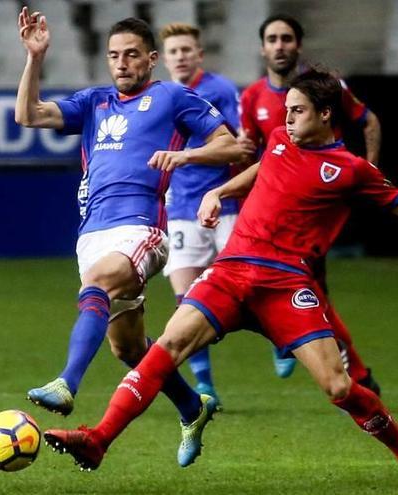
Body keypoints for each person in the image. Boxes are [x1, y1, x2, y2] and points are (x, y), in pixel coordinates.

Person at [43, 69, 398, 491]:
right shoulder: (278, 140)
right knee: (167, 346)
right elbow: (263, 166)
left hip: (287, 285)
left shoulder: (351, 170)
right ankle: (99, 439)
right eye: (286, 109)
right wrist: (221, 190)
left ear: (326, 114)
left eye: (297, 111)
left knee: (337, 387)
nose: (287, 119)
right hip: (231, 271)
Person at [14, 9, 246, 466]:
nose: (122, 63)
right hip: (93, 232)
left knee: (98, 284)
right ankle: (192, 406)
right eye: (114, 56)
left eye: (132, 55)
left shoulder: (172, 96)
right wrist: (35, 58)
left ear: (152, 59)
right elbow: (28, 114)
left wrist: (185, 157)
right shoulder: (94, 102)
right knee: (130, 348)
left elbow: (233, 145)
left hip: (143, 228)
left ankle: (66, 384)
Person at [239, 14, 383, 387]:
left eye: (287, 38)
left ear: (298, 45)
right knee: (307, 295)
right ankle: (355, 376)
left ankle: (352, 376)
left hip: (315, 205)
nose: (280, 45)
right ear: (263, 48)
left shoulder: (326, 90)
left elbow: (370, 122)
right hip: (270, 218)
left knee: (311, 292)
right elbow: (254, 156)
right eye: (272, 38)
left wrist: (369, 173)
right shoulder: (253, 96)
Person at [158, 22, 240, 407]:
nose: (180, 56)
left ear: (199, 54)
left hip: (225, 204)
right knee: (187, 300)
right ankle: (205, 384)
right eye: (173, 51)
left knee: (248, 290)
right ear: (164, 57)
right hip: (180, 207)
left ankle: (282, 344)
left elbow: (238, 148)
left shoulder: (220, 90)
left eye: (186, 49)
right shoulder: (160, 96)